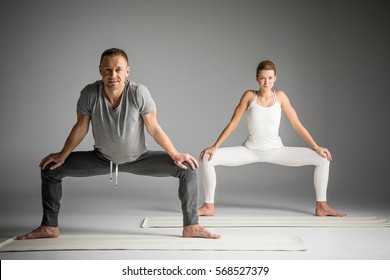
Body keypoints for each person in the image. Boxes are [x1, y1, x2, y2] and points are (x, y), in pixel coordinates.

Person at [17, 48, 220, 240]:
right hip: (101, 159)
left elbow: (154, 127)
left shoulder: (139, 92)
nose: (112, 74)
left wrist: (175, 154)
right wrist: (63, 154)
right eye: (107, 69)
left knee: (188, 169)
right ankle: (49, 226)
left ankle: (191, 226)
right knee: (51, 169)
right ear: (100, 70)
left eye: (118, 69)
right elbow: (80, 127)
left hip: (139, 158)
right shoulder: (89, 93)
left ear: (127, 71)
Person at [198, 60, 346, 217]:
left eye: (269, 78)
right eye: (262, 78)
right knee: (208, 158)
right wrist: (215, 146)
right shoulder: (249, 96)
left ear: (275, 78)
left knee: (323, 158)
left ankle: (322, 206)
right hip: (250, 150)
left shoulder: (280, 97)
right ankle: (208, 206)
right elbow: (233, 124)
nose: (266, 82)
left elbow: (297, 124)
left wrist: (316, 147)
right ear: (257, 78)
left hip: (276, 151)